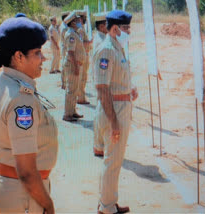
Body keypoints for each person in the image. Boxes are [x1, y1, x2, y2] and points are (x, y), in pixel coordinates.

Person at [0, 16, 58, 214]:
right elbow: (26, 171)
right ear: (18, 57)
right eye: (37, 53)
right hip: (22, 193)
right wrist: (48, 204)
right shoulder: (21, 98)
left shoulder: (7, 82)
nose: (43, 58)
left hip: (13, 189)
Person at [93, 10, 138, 214]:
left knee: (114, 160)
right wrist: (114, 123)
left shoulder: (117, 47)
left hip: (120, 107)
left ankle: (108, 201)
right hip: (114, 112)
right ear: (114, 29)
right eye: (126, 28)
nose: (128, 31)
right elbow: (102, 88)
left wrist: (129, 92)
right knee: (112, 161)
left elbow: (114, 81)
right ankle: (107, 207)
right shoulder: (106, 50)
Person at [62, 12, 85, 122]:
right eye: (77, 21)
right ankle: (67, 114)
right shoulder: (71, 34)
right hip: (72, 65)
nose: (79, 22)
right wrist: (76, 67)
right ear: (72, 23)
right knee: (71, 90)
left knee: (75, 89)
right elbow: (70, 53)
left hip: (76, 64)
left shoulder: (74, 33)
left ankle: (72, 111)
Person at [92, 12, 108, 157]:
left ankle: (98, 144)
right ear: (102, 26)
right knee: (101, 113)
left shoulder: (102, 38)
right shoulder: (101, 42)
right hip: (101, 82)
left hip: (100, 81)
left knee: (100, 113)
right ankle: (99, 145)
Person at [75, 10, 93, 105]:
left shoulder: (80, 28)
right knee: (82, 78)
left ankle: (81, 96)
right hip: (82, 55)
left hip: (84, 54)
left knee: (83, 77)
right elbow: (81, 43)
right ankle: (80, 98)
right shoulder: (80, 29)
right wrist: (90, 42)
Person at [59, 11, 70, 89]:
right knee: (65, 65)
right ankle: (64, 83)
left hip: (64, 46)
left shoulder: (63, 25)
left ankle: (64, 82)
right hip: (65, 47)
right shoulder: (65, 27)